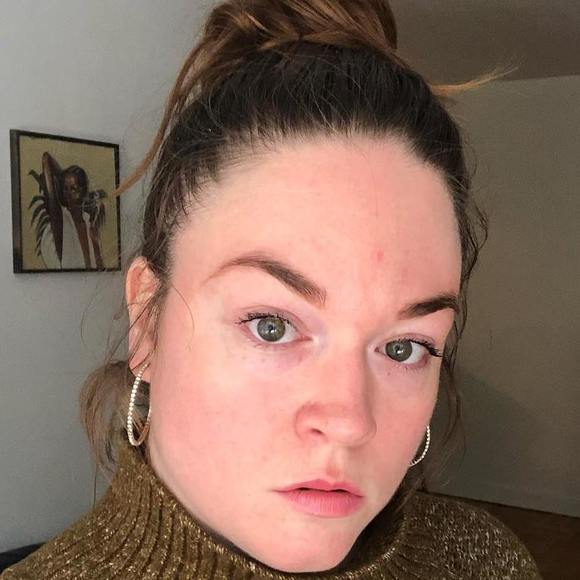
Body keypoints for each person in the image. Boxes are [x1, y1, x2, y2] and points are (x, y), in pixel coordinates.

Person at [2, 0, 542, 578]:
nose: (350, 421)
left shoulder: (486, 561)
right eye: (272, 326)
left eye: (404, 347)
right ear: (146, 321)